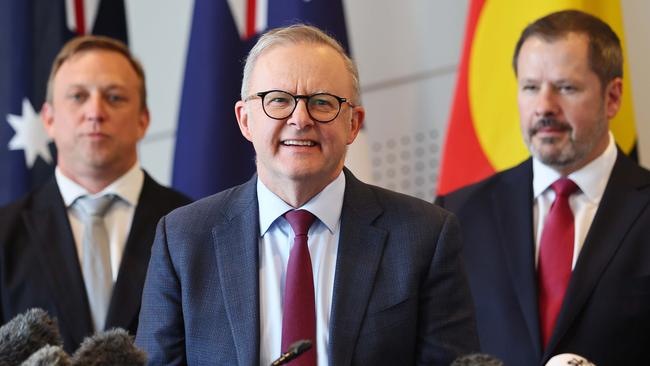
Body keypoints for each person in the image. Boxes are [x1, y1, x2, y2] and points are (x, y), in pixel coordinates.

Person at [136, 24, 479, 365]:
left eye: (322, 102)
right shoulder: (183, 239)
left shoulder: (425, 236)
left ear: (353, 124)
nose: (300, 119)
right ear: (245, 120)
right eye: (279, 100)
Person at [436, 10, 650, 365]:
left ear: (612, 98)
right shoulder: (458, 214)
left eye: (566, 88)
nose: (544, 107)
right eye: (531, 88)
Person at [0, 35, 191, 353]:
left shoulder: (194, 226)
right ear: (48, 119)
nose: (95, 112)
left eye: (114, 97)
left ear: (143, 120)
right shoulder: (4, 234)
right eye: (77, 96)